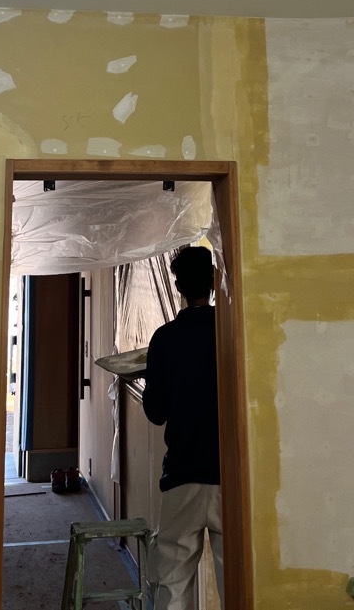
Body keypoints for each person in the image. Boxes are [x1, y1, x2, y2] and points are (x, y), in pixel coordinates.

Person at [142, 245, 224, 609]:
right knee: (237, 583)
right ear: (214, 281)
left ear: (178, 286)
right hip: (229, 477)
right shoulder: (232, 331)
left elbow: (156, 412)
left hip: (182, 475)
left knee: (173, 583)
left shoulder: (165, 338)